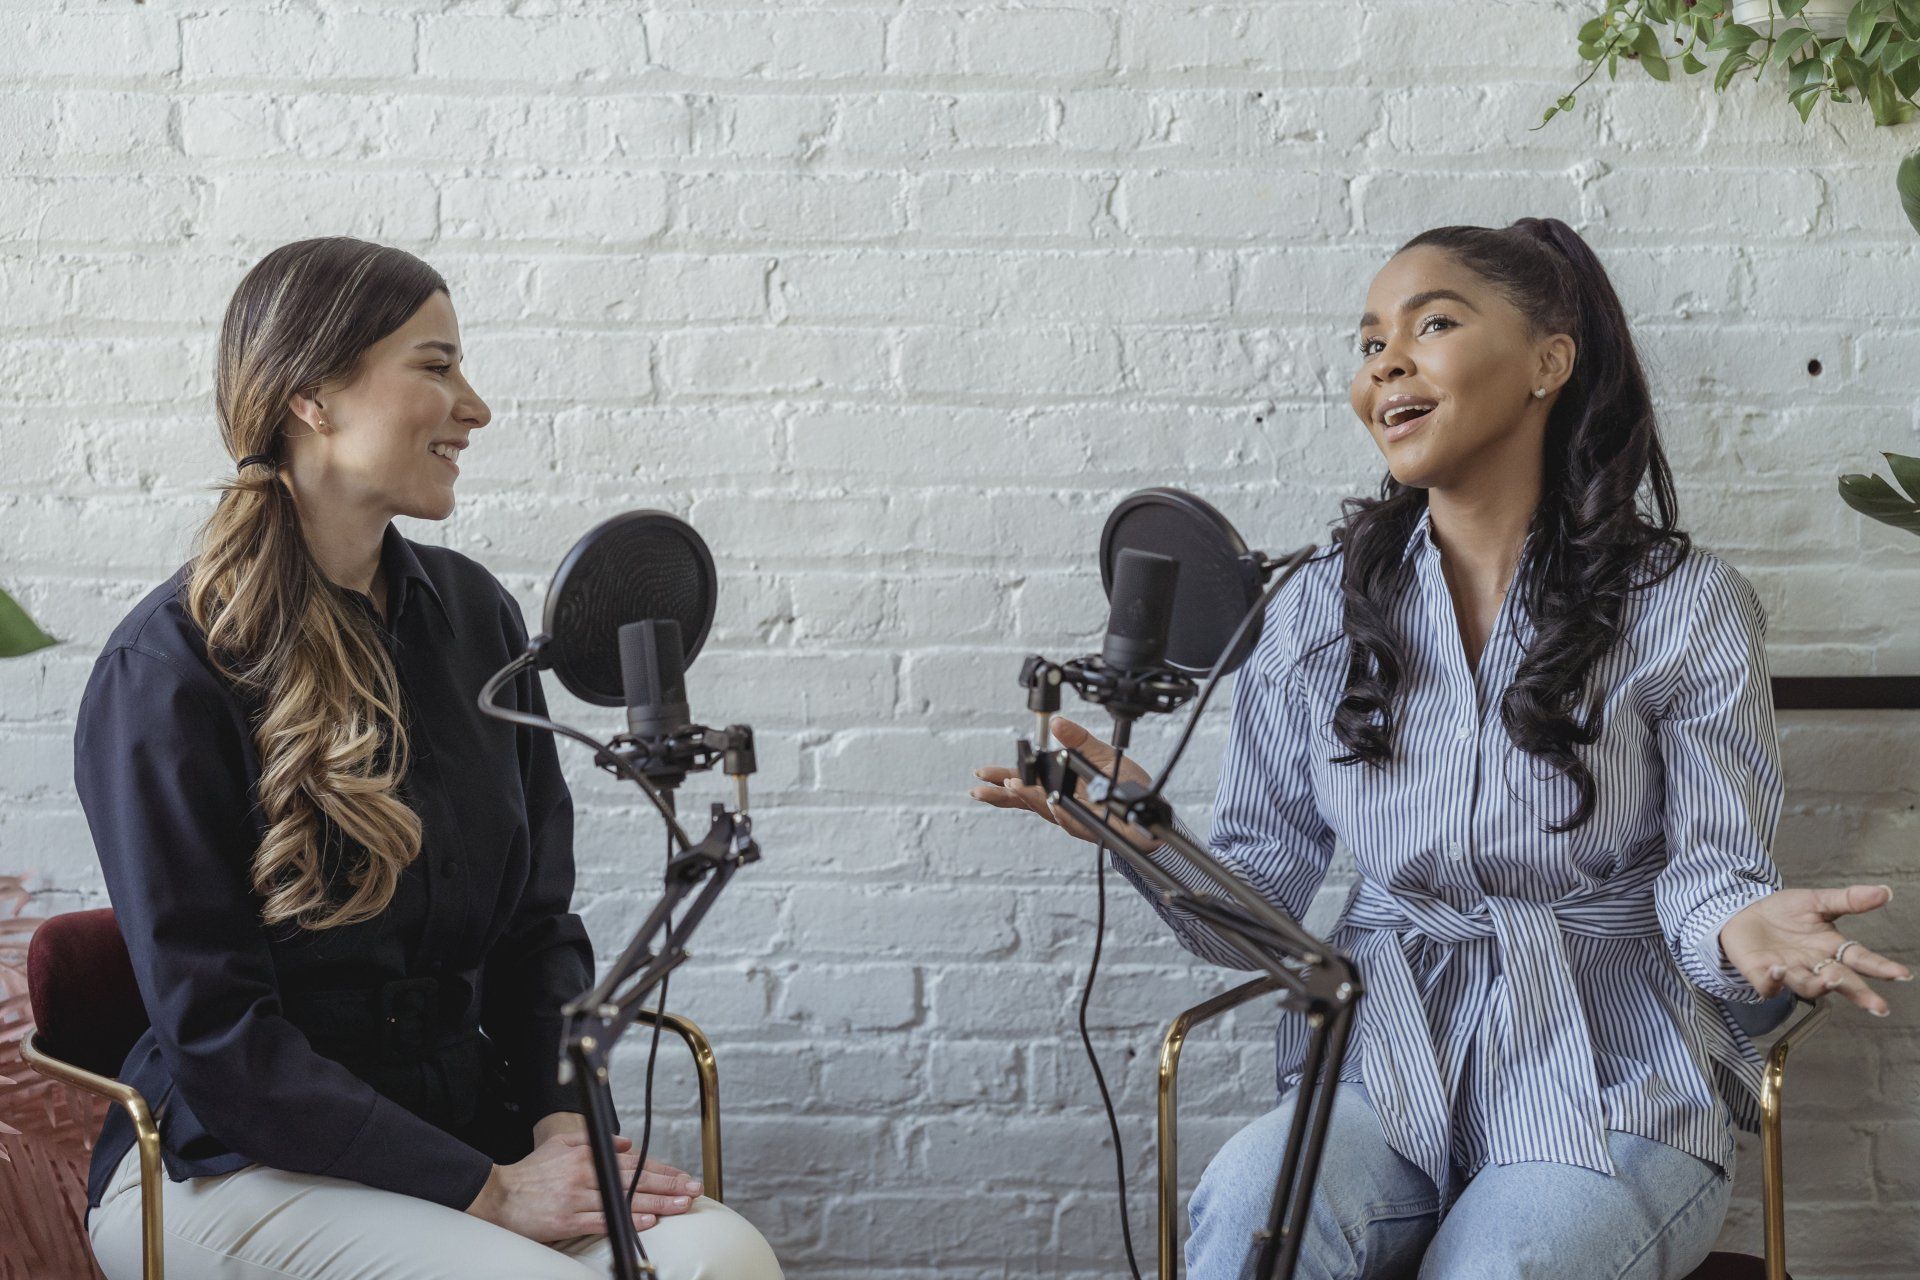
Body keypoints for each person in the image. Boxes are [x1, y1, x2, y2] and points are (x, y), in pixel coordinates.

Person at [970, 217, 1909, 1279]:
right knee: (1243, 1214)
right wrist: (1146, 835)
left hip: (1612, 1072)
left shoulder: (1685, 605)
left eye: (1435, 324)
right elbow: (1261, 912)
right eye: (1371, 343)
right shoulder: (1311, 607)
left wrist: (1744, 921)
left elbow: (1708, 867)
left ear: (1548, 361)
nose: (1389, 363)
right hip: (1383, 1062)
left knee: (1505, 1263)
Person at [74, 237, 782, 1280]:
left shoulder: (477, 620)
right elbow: (219, 1036)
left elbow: (537, 928)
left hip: (468, 1127)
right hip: (238, 1170)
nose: (476, 407)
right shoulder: (167, 669)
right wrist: (488, 1191)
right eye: (437, 365)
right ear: (314, 394)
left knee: (724, 1256)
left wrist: (550, 1122)